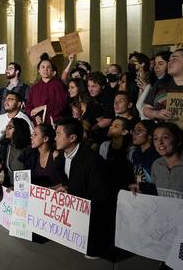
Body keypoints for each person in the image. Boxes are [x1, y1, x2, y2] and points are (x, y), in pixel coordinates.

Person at [55, 118, 112, 259]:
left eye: (58, 134)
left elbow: (101, 195)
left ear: (72, 138)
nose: (54, 138)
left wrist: (72, 192)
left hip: (95, 221)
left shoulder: (92, 161)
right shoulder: (61, 158)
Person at [25, 53, 67, 125]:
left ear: (52, 70)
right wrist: (35, 116)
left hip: (54, 123)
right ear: (39, 70)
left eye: (48, 67)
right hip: (38, 125)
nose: (45, 69)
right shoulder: (34, 88)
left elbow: (62, 105)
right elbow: (28, 107)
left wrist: (44, 107)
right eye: (43, 67)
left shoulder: (59, 85)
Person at [22, 124, 65, 188]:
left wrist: (47, 190)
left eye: (35, 134)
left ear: (45, 138)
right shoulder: (32, 155)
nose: (31, 137)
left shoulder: (55, 155)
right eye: (32, 134)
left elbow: (66, 183)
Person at [0, 117, 31, 187]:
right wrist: (1, 164)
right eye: (7, 126)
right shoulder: (7, 145)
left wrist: (16, 187)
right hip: (8, 187)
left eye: (10, 127)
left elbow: (25, 178)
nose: (6, 129)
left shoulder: (26, 151)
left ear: (19, 130)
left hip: (21, 189)